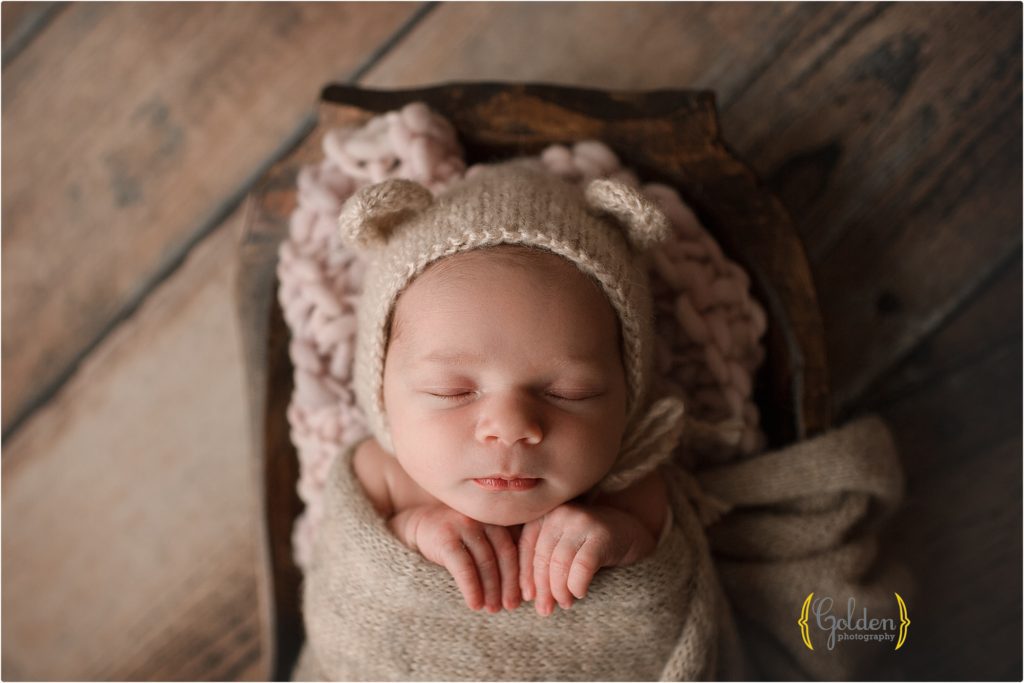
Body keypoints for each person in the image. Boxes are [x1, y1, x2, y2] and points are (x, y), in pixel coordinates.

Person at [337, 158, 687, 617]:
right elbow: (347, 566)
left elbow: (662, 578)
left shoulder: (627, 486)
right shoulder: (382, 475)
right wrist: (414, 530)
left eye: (568, 393)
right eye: (451, 391)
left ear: (628, 396)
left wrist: (614, 537)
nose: (510, 428)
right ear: (381, 392)